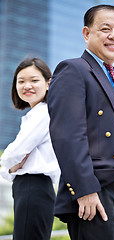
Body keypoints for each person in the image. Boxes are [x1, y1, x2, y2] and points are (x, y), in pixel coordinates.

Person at [47, 4, 114, 240]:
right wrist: (85, 190)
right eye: (105, 29)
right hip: (97, 191)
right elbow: (68, 135)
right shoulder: (73, 69)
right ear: (86, 33)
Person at [0, 58, 60, 240]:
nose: (27, 86)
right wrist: (11, 166)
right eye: (21, 81)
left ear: (49, 83)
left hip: (33, 187)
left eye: (34, 80)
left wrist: (5, 165)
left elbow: (16, 151)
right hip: (34, 189)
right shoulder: (37, 114)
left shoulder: (42, 113)